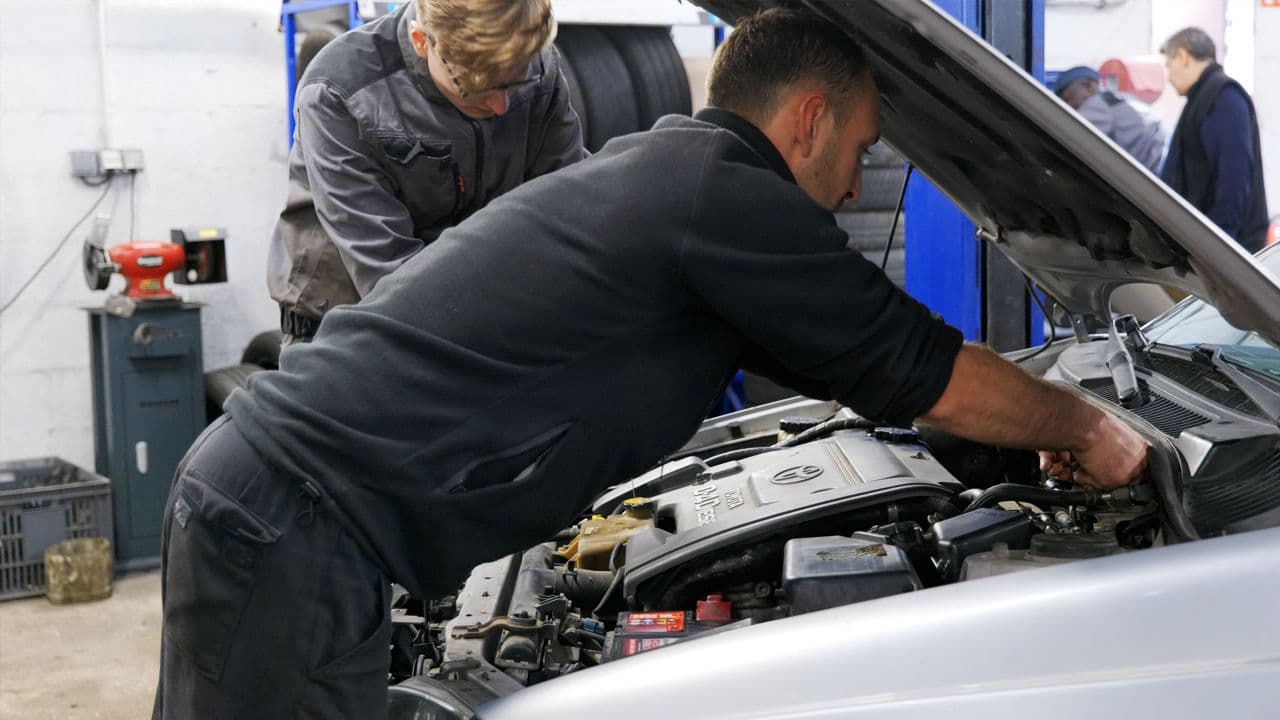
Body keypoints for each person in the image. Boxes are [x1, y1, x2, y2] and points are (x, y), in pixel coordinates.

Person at [153, 9, 1149, 718]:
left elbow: (881, 372)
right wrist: (1087, 428)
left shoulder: (675, 179)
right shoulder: (720, 199)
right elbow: (923, 365)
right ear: (805, 119)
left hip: (291, 514)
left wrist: (1023, 431)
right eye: (858, 147)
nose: (854, 184)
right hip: (292, 522)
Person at [268, 0, 586, 343]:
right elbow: (389, 275)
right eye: (477, 86)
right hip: (347, 327)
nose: (501, 106)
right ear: (422, 41)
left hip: (477, 307)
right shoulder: (340, 94)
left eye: (513, 82)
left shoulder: (537, 69)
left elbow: (572, 207)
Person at [1159, 27, 1269, 252]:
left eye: (1168, 65)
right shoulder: (1201, 98)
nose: (1168, 76)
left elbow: (1234, 178)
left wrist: (1219, 246)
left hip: (1230, 250)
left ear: (1183, 56)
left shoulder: (1224, 98)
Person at [1053, 66, 1165, 173]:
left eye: (1067, 99)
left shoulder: (1095, 104)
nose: (1068, 106)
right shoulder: (1120, 98)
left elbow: (1073, 139)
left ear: (1088, 86)